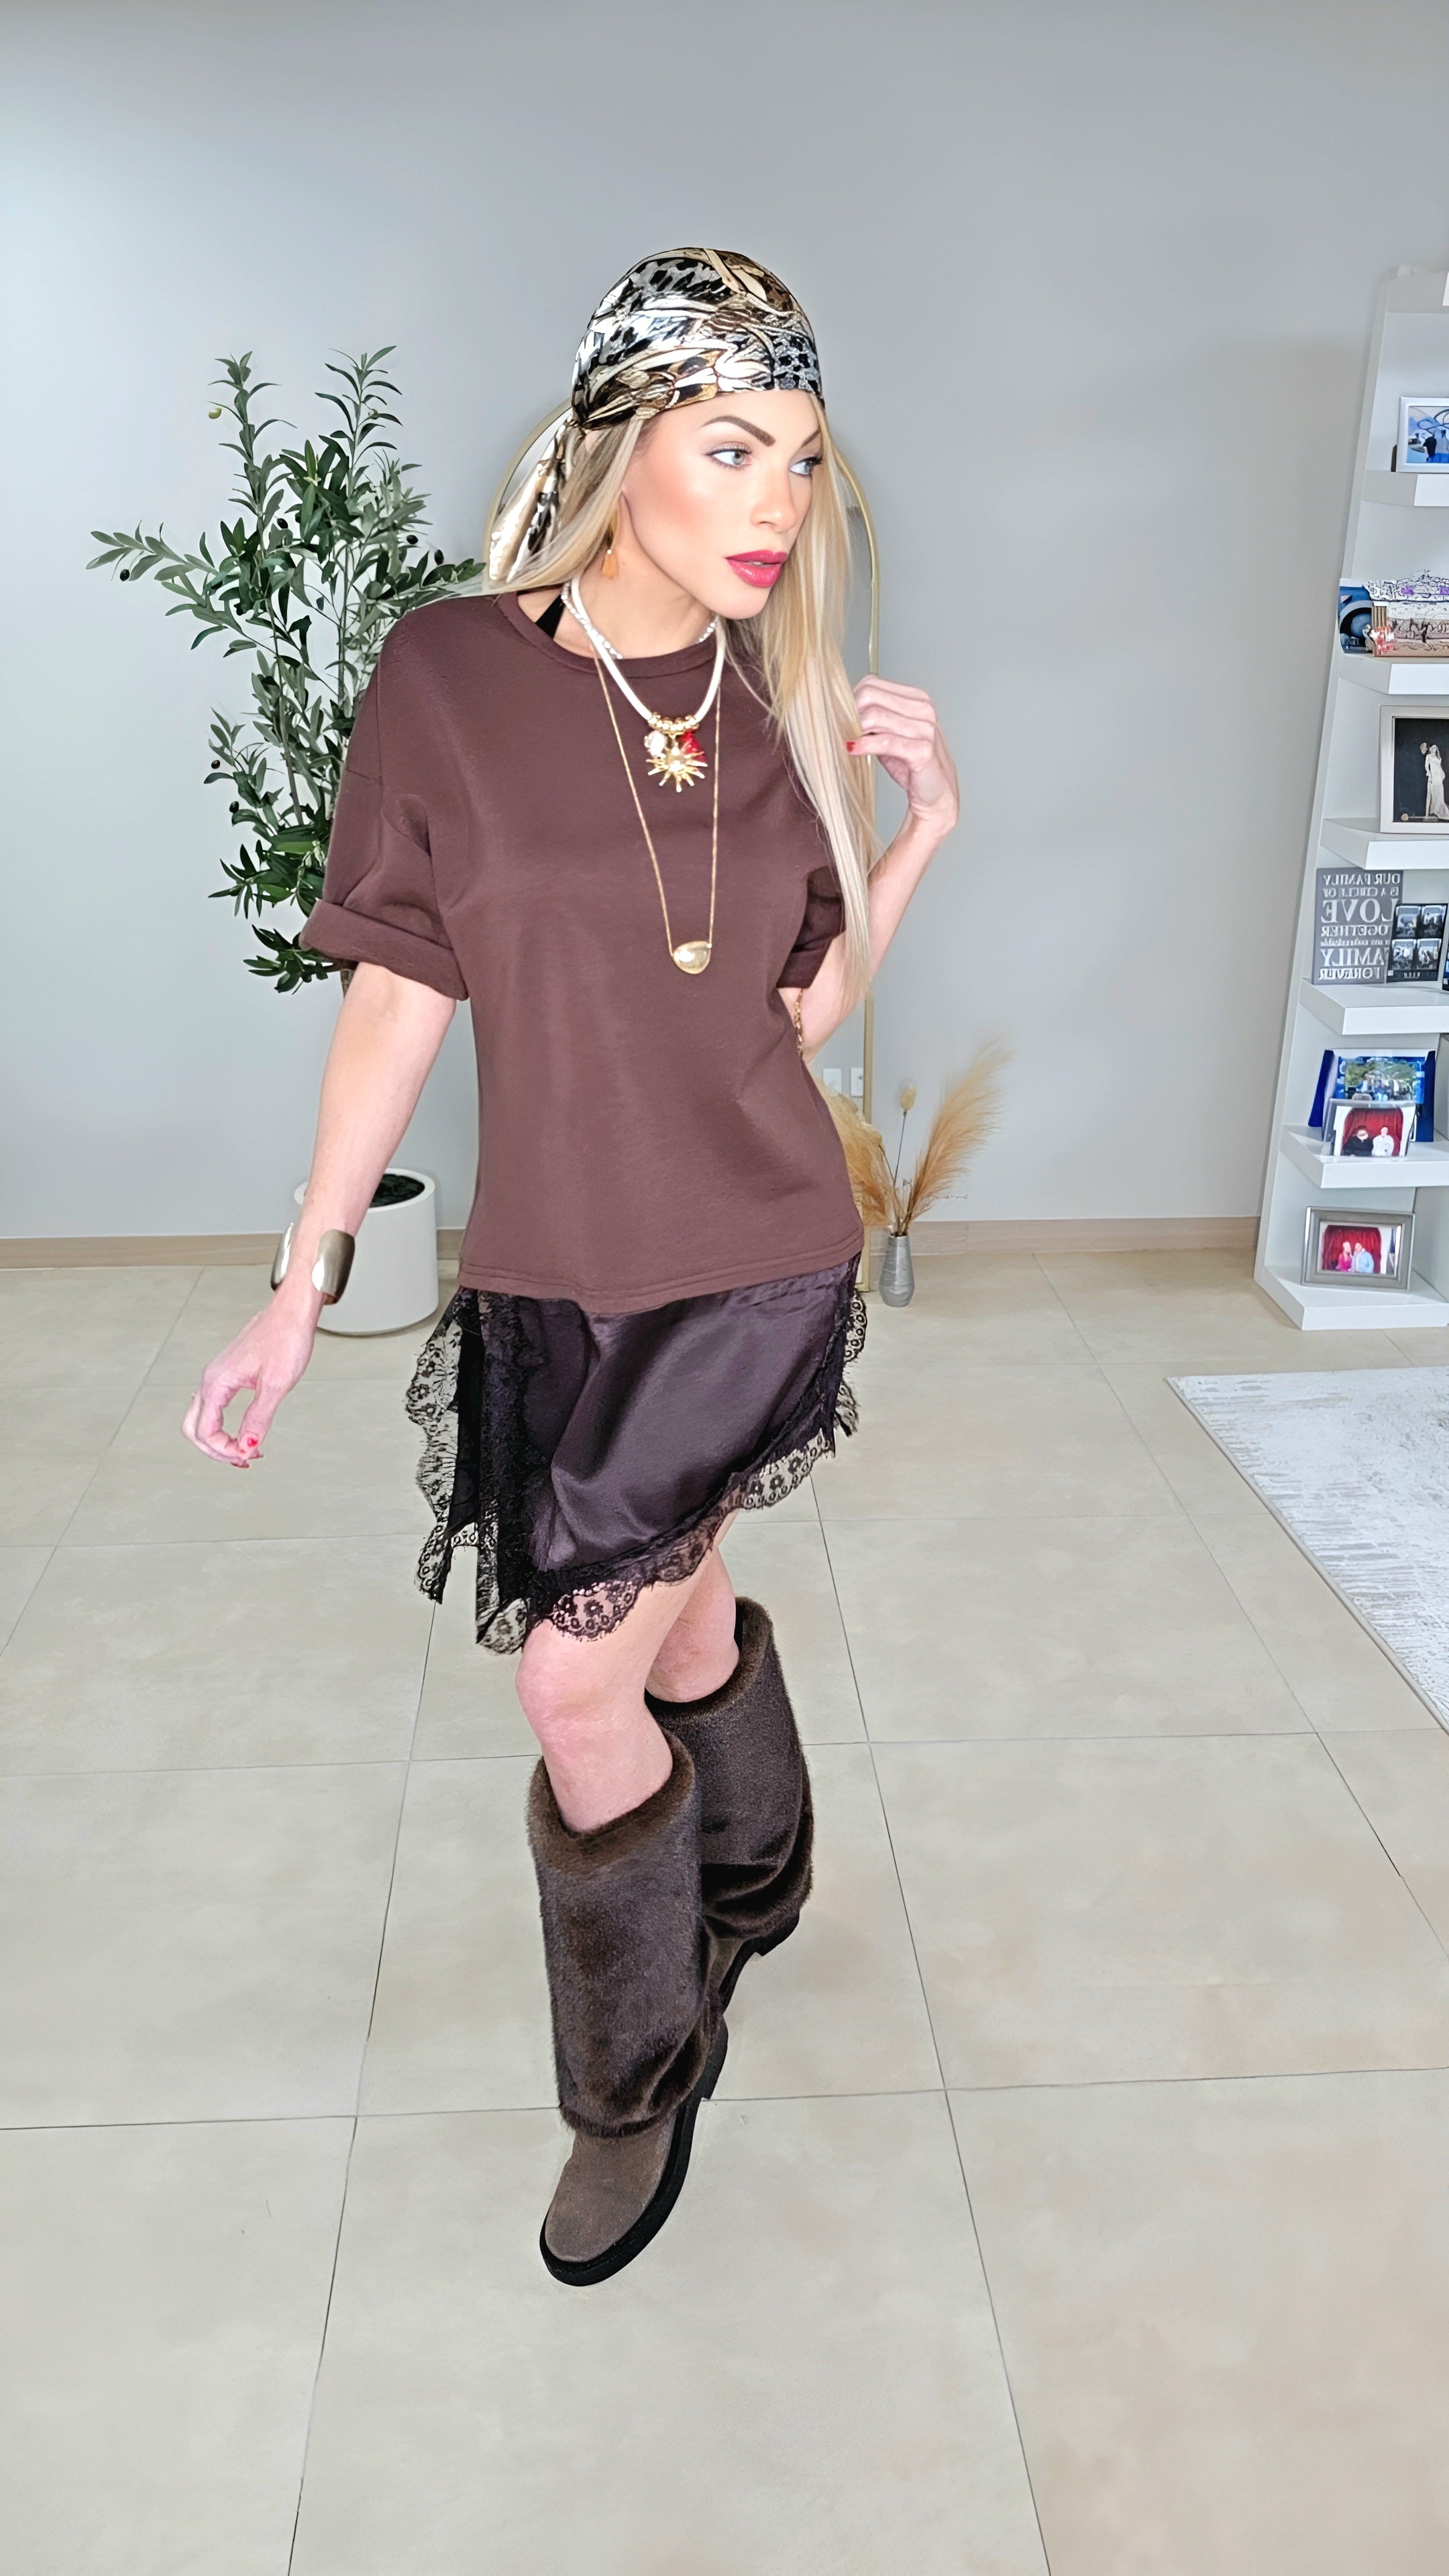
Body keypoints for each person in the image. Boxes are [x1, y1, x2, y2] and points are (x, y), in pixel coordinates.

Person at [181, 248, 958, 2287]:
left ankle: (633, 2077)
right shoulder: (449, 675)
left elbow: (789, 1019)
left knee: (568, 1673)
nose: (780, 503)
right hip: (555, 1267)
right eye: (735, 447)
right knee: (670, 1604)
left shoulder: (767, 709)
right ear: (625, 449)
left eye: (804, 458)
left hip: (758, 1256)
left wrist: (915, 840)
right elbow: (399, 991)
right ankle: (758, 1872)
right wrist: (302, 1275)